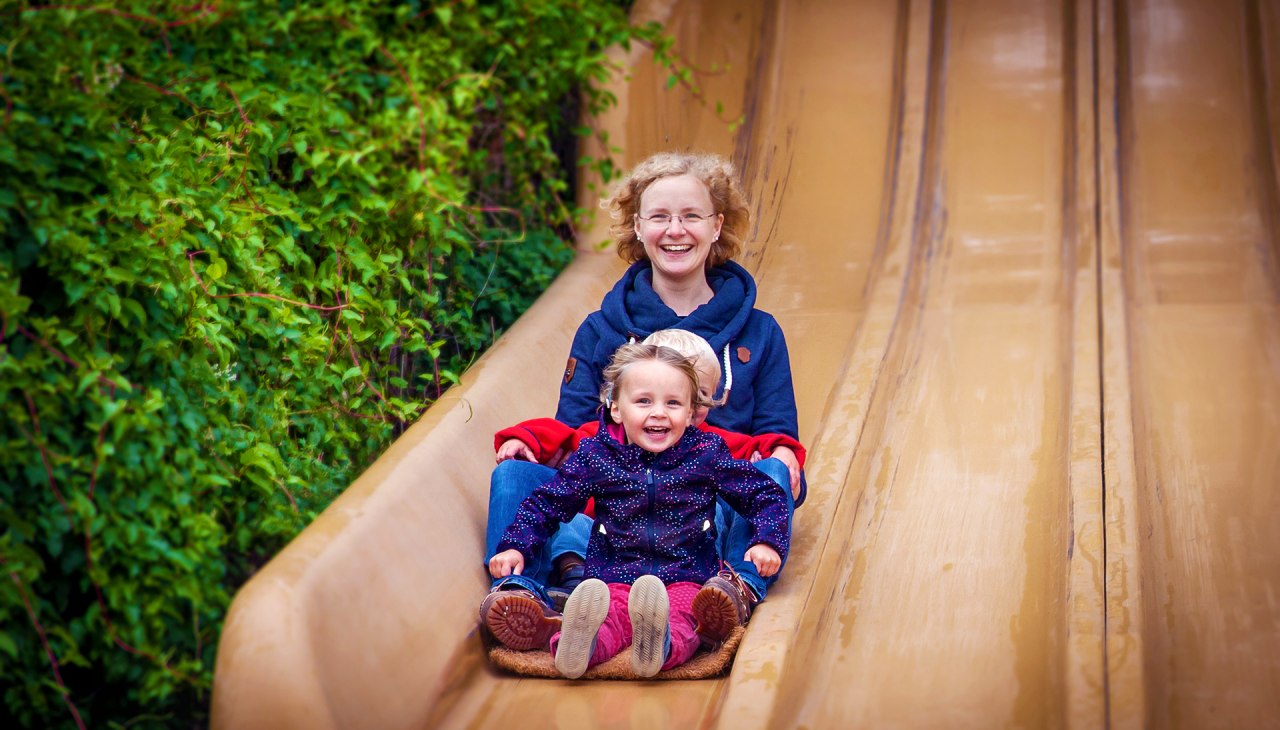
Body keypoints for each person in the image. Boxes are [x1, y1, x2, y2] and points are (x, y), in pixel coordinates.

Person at [482, 151, 803, 639]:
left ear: (716, 226)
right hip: (617, 514)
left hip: (706, 510)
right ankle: (525, 594)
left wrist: (781, 455)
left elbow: (777, 439)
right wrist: (536, 443)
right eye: (660, 217)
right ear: (638, 226)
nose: (676, 230)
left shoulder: (759, 333)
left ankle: (732, 589)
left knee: (775, 470)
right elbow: (574, 437)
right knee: (516, 473)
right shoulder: (601, 330)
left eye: (691, 216)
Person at [487, 343, 790, 678]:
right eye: (644, 401)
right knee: (607, 619)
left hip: (687, 577)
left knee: (684, 618)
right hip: (614, 577)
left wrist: (767, 540)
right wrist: (515, 544)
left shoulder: (705, 455)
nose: (659, 412)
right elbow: (547, 503)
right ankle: (576, 646)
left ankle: (660, 647)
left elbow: (763, 493)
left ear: (691, 414)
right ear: (616, 409)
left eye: (673, 403)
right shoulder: (598, 457)